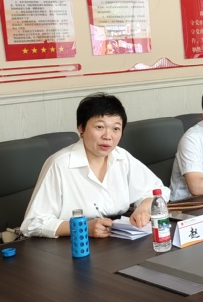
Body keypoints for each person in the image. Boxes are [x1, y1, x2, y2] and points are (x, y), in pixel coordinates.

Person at [21, 93, 163, 238]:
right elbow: (33, 224)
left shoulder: (122, 157)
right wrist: (82, 227)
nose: (108, 136)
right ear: (81, 128)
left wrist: (143, 208)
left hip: (117, 239)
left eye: (115, 129)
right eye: (100, 127)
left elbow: (157, 190)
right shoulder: (59, 164)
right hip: (74, 244)